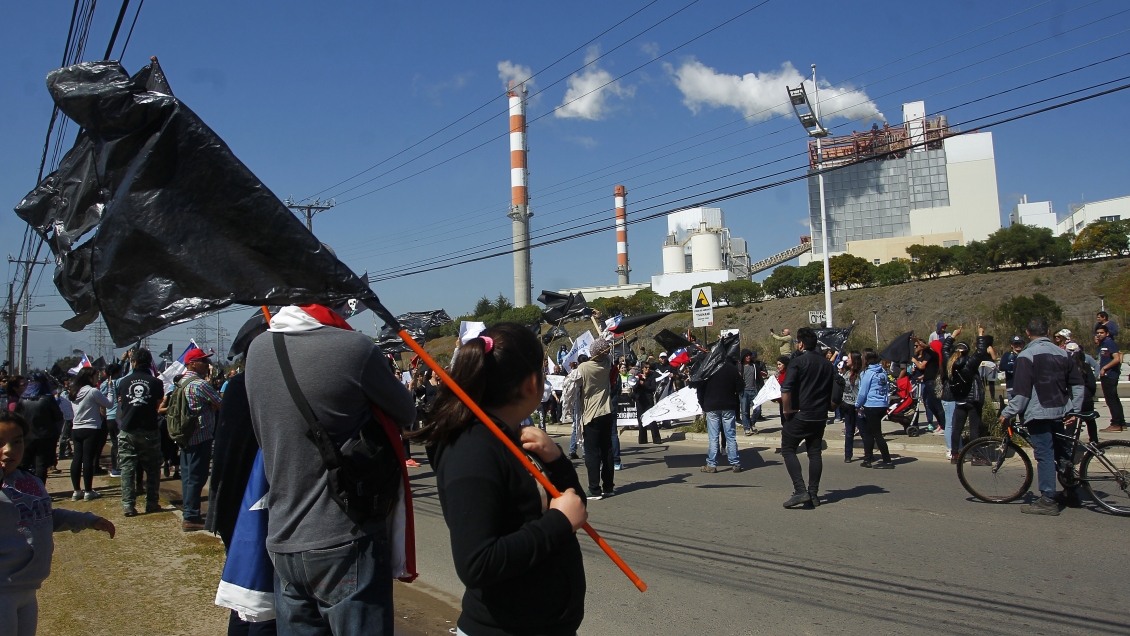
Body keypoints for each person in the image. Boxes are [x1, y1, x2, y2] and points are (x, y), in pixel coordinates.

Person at [245, 304, 415, 634]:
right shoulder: (354, 347)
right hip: (345, 534)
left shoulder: (257, 350)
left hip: (283, 536)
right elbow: (405, 411)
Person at [423, 323, 588, 636]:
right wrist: (556, 523)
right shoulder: (473, 451)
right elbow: (477, 563)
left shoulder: (513, 437)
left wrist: (556, 461)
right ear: (530, 384)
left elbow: (572, 505)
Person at [1, 409, 116, 636]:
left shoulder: (29, 479)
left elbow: (45, 515)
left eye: (17, 442)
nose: (9, 450)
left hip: (28, 586)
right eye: (0, 443)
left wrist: (87, 520)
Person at [999, 317, 1084, 515]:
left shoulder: (1026, 355)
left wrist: (1007, 413)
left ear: (1028, 333)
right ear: (1048, 331)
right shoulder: (1062, 354)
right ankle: (1071, 492)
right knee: (1062, 454)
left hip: (1039, 412)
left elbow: (1022, 393)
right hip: (1061, 410)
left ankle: (1047, 499)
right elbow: (1077, 384)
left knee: (1045, 454)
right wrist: (1075, 410)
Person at [779, 328, 841, 508]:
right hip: (820, 415)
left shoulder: (798, 362)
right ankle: (813, 494)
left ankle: (800, 490)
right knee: (814, 453)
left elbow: (786, 389)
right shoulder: (826, 364)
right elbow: (834, 389)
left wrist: (787, 410)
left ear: (800, 344)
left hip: (801, 413)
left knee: (788, 448)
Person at [116, 349, 166, 517]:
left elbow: (121, 403)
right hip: (149, 429)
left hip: (128, 429)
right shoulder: (156, 383)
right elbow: (158, 405)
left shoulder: (123, 382)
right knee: (152, 468)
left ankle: (128, 505)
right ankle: (152, 503)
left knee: (127, 469)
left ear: (134, 363)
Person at [177, 349, 222, 532]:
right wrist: (212, 405)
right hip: (200, 435)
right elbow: (220, 403)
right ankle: (191, 516)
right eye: (203, 361)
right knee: (197, 477)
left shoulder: (181, 382)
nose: (206, 364)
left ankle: (189, 512)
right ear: (192, 363)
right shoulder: (199, 384)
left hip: (185, 435)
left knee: (188, 476)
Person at [577, 338, 615, 500]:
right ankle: (608, 486)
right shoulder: (607, 363)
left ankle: (594, 488)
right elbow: (606, 352)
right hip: (607, 411)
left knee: (592, 453)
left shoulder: (584, 368)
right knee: (607, 449)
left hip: (591, 414)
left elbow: (573, 385)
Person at [945, 328, 989, 461]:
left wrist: (952, 335)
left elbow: (944, 349)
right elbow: (981, 351)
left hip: (959, 400)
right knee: (974, 429)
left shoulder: (950, 363)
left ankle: (955, 454)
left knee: (956, 429)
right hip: (972, 400)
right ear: (967, 351)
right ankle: (975, 455)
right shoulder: (970, 363)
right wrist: (981, 335)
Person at [69, 367, 112, 502]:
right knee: (88, 459)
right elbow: (109, 404)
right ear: (89, 378)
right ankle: (88, 491)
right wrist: (110, 389)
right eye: (96, 376)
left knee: (77, 459)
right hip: (91, 428)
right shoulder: (93, 391)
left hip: (76, 428)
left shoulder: (74, 392)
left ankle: (76, 490)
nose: (97, 379)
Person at [697, 354, 744, 474]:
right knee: (731, 436)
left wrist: (703, 405)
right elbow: (740, 387)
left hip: (711, 406)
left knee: (713, 437)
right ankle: (735, 463)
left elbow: (700, 389)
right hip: (728, 405)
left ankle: (712, 464)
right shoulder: (732, 369)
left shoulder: (707, 369)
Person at [855, 349, 895, 469]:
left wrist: (857, 405)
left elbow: (863, 392)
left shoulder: (868, 373)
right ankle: (868, 458)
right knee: (868, 433)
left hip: (872, 405)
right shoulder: (882, 371)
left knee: (877, 434)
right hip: (881, 404)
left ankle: (887, 460)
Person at [910, 338, 945, 434]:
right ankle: (941, 424)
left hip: (931, 382)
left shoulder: (934, 355)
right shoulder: (930, 356)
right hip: (927, 380)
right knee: (930, 404)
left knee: (937, 405)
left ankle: (944, 425)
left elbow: (927, 348)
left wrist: (917, 339)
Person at [1067, 343, 1099, 444]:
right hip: (1086, 398)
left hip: (1072, 398)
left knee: (1071, 421)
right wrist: (1089, 394)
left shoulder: (1066, 367)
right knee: (1090, 421)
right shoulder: (1085, 366)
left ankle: (1068, 442)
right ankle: (1094, 441)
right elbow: (1092, 384)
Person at [1096, 324, 1124, 433]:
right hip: (1107, 375)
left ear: (1107, 333)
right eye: (1098, 333)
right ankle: (1120, 422)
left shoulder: (1110, 343)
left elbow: (1117, 359)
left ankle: (1116, 423)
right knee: (1114, 399)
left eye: (1101, 333)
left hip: (1110, 375)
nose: (1099, 335)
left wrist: (1104, 368)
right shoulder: (1103, 344)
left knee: (1111, 400)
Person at [99, 363, 123, 477]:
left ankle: (115, 466)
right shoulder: (116, 382)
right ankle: (116, 467)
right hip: (116, 416)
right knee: (118, 443)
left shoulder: (104, 384)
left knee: (114, 442)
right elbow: (130, 375)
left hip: (108, 417)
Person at [839, 351, 863, 463]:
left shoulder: (861, 374)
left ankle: (868, 454)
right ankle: (848, 455)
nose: (846, 360)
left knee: (863, 431)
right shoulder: (846, 373)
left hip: (858, 407)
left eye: (848, 358)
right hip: (847, 406)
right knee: (849, 431)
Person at [739, 349, 766, 436]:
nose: (748, 357)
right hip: (744, 392)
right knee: (745, 411)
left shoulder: (754, 366)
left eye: (749, 355)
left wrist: (761, 388)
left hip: (754, 391)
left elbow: (759, 378)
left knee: (757, 409)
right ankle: (746, 428)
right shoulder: (740, 367)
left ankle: (752, 423)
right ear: (743, 357)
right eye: (746, 355)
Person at [635, 361, 661, 444]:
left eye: (649, 368)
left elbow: (652, 388)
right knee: (641, 419)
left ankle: (656, 439)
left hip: (649, 400)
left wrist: (644, 385)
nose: (648, 369)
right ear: (642, 368)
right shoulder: (638, 377)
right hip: (640, 400)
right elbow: (635, 389)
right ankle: (643, 440)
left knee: (651, 419)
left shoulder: (651, 377)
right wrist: (639, 383)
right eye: (646, 367)